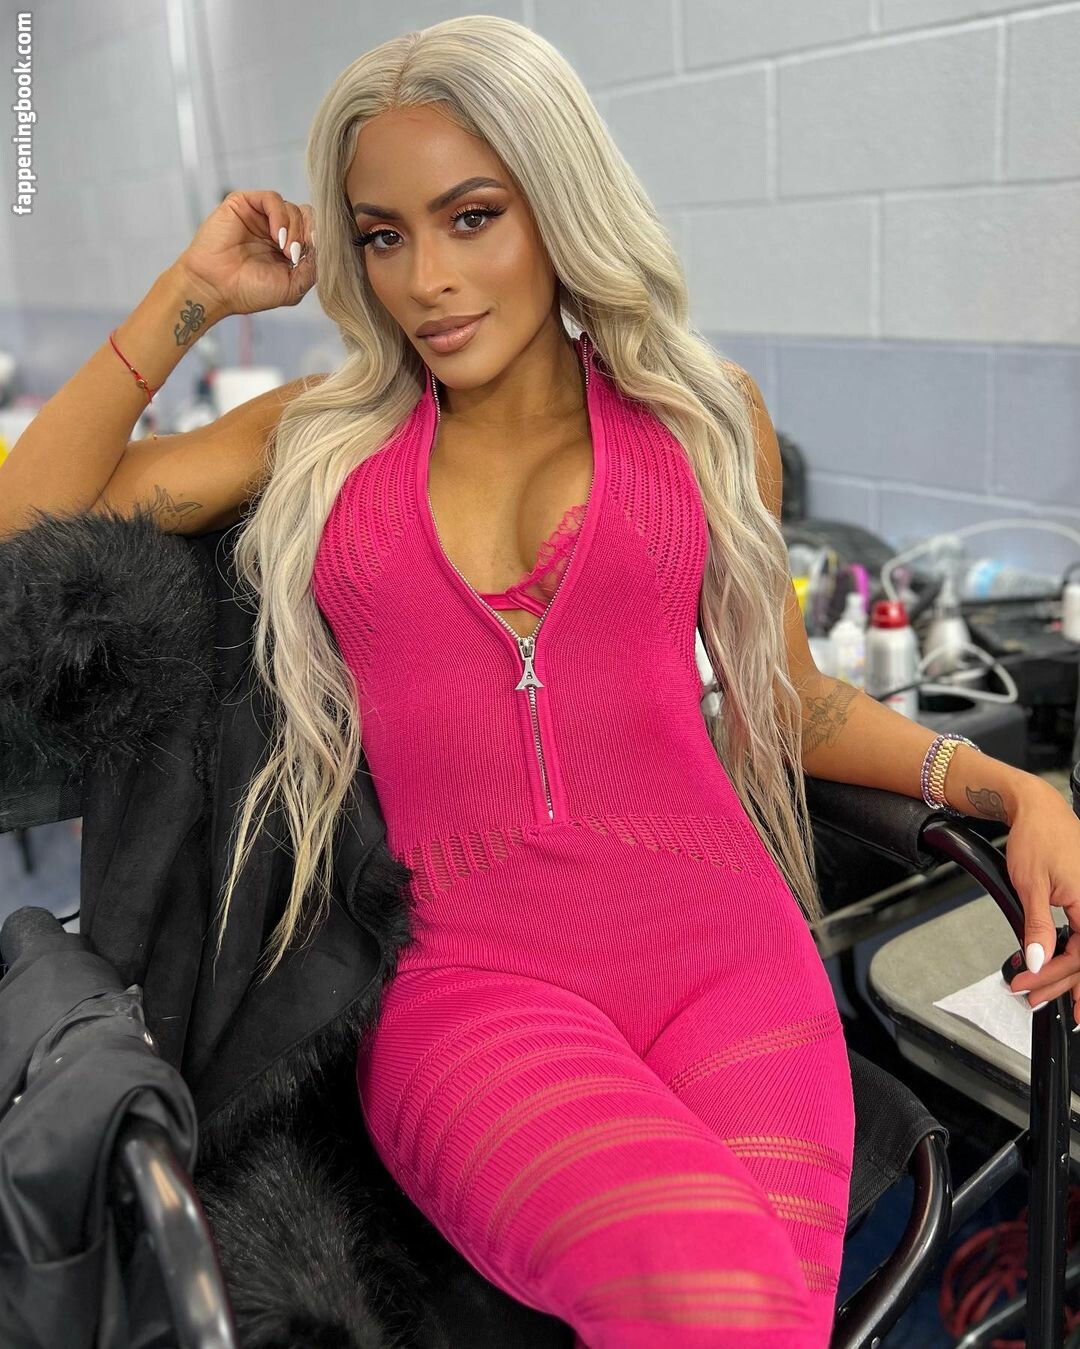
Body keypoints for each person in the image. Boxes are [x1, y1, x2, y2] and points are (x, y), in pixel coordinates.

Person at [5, 15, 1079, 1348]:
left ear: (558, 205)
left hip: (735, 969)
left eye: (473, 218)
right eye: (384, 236)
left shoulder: (701, 419)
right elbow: (23, 523)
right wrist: (193, 291)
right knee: (719, 1298)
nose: (428, 281)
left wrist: (1010, 788)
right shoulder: (320, 442)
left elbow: (789, 705)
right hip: (475, 995)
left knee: (762, 1321)